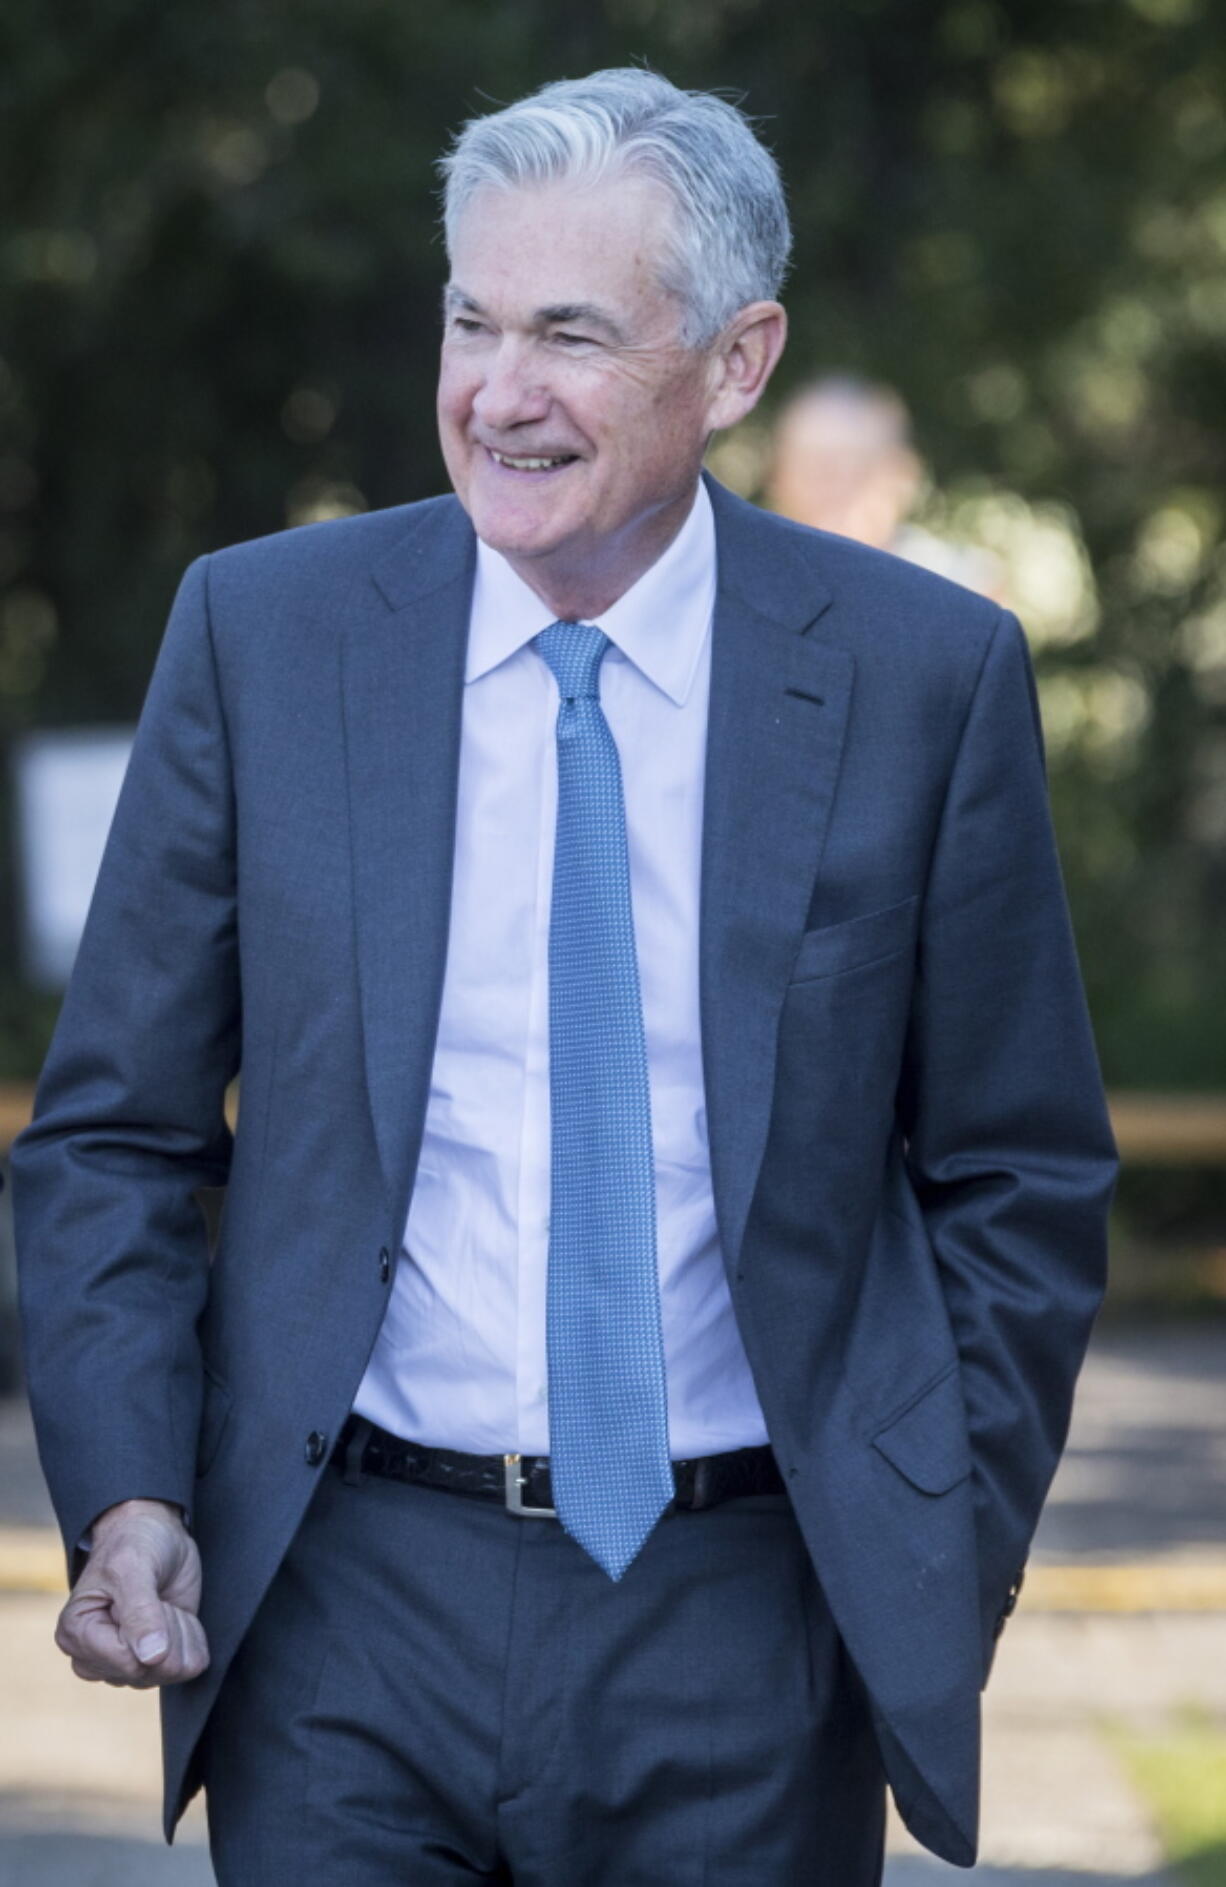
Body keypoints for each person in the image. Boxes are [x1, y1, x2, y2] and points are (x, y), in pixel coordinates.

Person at [12, 67, 1117, 1886]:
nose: (494, 393)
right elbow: (116, 1133)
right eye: (469, 319)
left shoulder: (925, 681)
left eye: (571, 336)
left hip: (749, 1627)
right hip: (342, 1610)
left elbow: (1021, 1170)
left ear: (736, 364)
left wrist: (927, 1531)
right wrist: (129, 1489)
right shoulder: (266, 639)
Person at [767, 373, 1005, 596]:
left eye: (851, 468)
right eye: (808, 468)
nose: (827, 490)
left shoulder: (961, 589)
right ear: (777, 480)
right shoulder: (750, 584)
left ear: (903, 475)